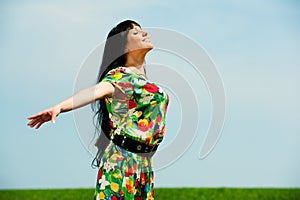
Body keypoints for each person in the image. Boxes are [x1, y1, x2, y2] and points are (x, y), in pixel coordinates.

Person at [27, 20, 169, 200]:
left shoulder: (145, 82)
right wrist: (60, 107)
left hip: (143, 165)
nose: (144, 33)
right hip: (122, 162)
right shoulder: (120, 75)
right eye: (135, 32)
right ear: (123, 46)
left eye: (142, 30)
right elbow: (95, 92)